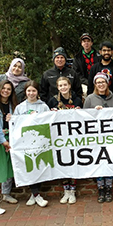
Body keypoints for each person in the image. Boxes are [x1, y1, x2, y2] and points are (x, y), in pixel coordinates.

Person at [14, 81, 50, 207]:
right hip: (26, 143)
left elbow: (49, 122)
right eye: (29, 91)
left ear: (37, 92)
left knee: (39, 167)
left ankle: (34, 194)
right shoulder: (20, 108)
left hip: (40, 142)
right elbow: (15, 126)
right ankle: (36, 195)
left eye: (33, 91)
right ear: (25, 92)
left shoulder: (44, 106)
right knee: (30, 167)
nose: (31, 93)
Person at [84, 72, 113, 203]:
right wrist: (94, 113)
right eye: (98, 83)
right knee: (98, 162)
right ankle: (101, 189)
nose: (101, 85)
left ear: (107, 83)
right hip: (95, 138)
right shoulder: (90, 99)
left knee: (108, 161)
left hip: (109, 137)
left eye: (103, 82)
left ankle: (109, 188)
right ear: (95, 85)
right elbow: (83, 117)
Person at [47, 76, 83, 204]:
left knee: (73, 162)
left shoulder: (77, 100)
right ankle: (65, 190)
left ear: (69, 86)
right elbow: (46, 119)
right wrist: (51, 113)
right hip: (59, 139)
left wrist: (79, 112)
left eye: (65, 85)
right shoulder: (52, 101)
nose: (63, 87)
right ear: (57, 87)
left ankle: (72, 190)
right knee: (62, 163)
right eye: (60, 85)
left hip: (74, 138)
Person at [0, 80, 18, 205]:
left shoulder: (14, 105)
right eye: (4, 88)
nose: (6, 91)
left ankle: (6, 194)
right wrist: (3, 140)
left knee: (9, 167)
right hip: (2, 139)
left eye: (9, 89)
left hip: (10, 138)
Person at [72, 33, 100, 97]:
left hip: (98, 81)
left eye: (88, 41)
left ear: (91, 43)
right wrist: (87, 82)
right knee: (84, 93)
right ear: (81, 43)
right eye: (84, 41)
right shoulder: (77, 58)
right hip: (83, 83)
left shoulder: (98, 56)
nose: (86, 43)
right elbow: (76, 73)